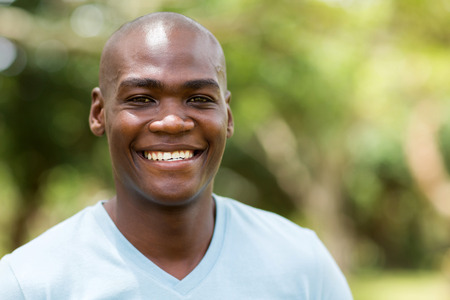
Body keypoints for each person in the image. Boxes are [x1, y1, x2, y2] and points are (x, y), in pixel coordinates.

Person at [0, 12, 353, 299]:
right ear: (99, 113)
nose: (171, 122)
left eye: (199, 99)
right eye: (141, 99)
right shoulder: (31, 284)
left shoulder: (301, 263)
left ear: (227, 116)